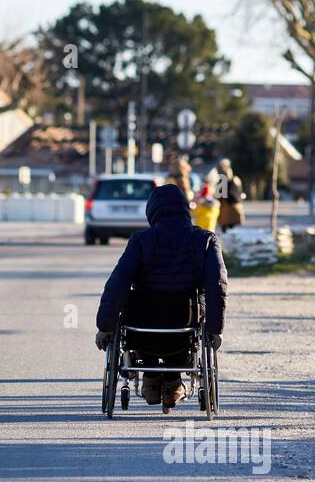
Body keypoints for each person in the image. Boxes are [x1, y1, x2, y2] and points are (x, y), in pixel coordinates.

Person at [94, 184, 228, 412]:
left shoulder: (140, 240)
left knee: (144, 312)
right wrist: (215, 328)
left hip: (141, 327)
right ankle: (172, 383)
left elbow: (117, 283)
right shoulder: (205, 239)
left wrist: (105, 326)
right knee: (185, 321)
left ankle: (152, 381)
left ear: (151, 211)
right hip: (185, 324)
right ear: (185, 209)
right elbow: (217, 285)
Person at [217, 158, 245, 231]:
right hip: (236, 206)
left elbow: (219, 195)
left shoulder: (222, 180)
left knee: (226, 229)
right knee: (232, 229)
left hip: (226, 207)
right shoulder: (237, 179)